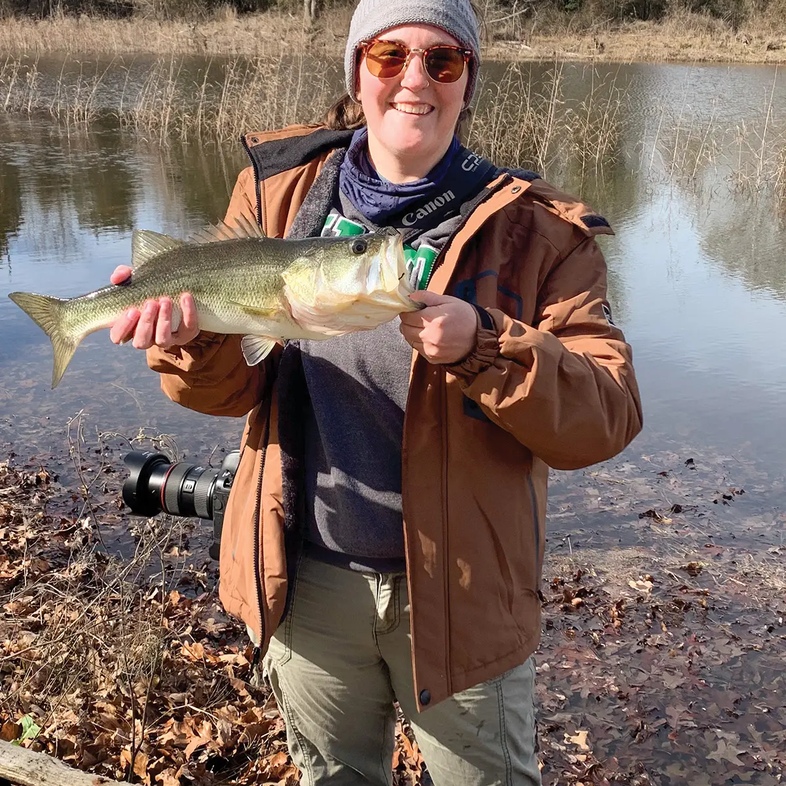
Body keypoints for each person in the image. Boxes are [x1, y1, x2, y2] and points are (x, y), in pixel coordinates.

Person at [109, 0, 643, 783]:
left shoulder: (542, 232)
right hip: (307, 582)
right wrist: (188, 346)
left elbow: (606, 417)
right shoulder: (276, 193)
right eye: (389, 56)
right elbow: (228, 392)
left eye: (443, 60)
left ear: (468, 80)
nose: (413, 80)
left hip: (463, 598)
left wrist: (487, 346)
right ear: (358, 71)